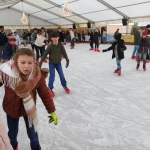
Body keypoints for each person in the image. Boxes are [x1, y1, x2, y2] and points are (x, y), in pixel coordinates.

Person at [0, 48, 58, 150]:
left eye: (29, 62)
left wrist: (52, 111)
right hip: (11, 108)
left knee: (33, 135)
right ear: (16, 61)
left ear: (34, 62)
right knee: (12, 135)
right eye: (22, 62)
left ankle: (35, 147)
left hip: (29, 110)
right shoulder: (6, 72)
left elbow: (44, 94)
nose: (26, 66)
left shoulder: (37, 75)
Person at [39, 31, 70, 98]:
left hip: (58, 63)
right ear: (51, 38)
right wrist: (40, 63)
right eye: (53, 37)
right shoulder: (50, 46)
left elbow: (64, 53)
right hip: (52, 64)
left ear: (58, 37)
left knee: (61, 75)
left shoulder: (60, 45)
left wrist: (67, 60)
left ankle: (64, 85)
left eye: (56, 37)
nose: (55, 38)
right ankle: (50, 88)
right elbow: (44, 55)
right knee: (52, 76)